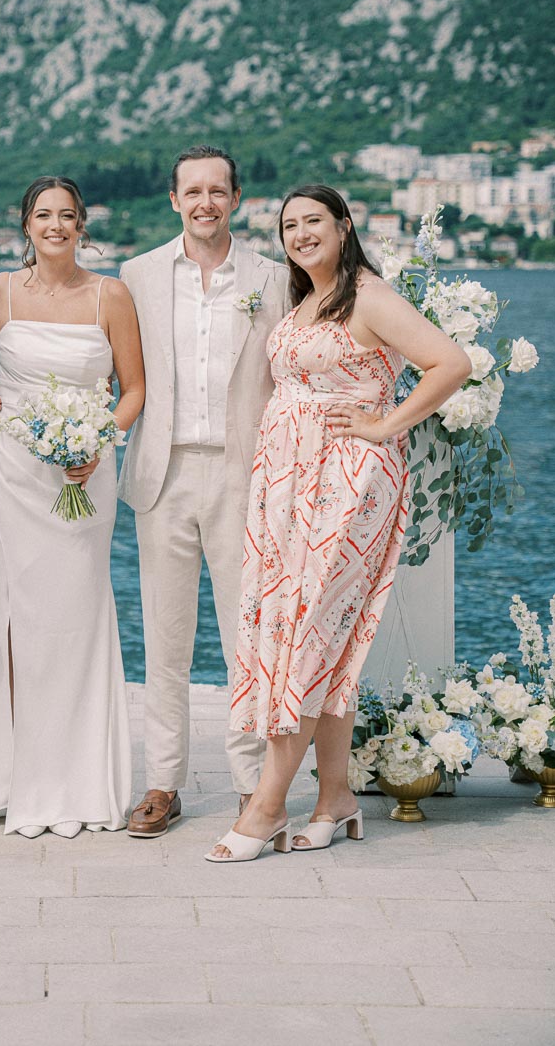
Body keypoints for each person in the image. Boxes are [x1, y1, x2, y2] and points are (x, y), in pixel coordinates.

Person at [206, 183, 471, 862]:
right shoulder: (306, 303)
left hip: (349, 483)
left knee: (310, 634)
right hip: (289, 485)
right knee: (320, 640)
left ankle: (266, 807)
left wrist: (386, 424)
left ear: (344, 224)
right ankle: (336, 799)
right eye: (290, 225)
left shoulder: (367, 293)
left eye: (313, 221)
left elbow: (451, 362)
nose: (300, 234)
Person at [0, 176, 144, 838]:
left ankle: (81, 782)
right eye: (42, 215)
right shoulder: (1, 290)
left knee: (78, 611)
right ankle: (11, 780)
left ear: (82, 225)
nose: (54, 225)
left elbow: (135, 388)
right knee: (18, 611)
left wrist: (99, 440)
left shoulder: (110, 294)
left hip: (85, 473)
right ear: (24, 224)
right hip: (13, 472)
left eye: (66, 215)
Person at [118, 146, 288, 837]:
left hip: (244, 473)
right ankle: (163, 783)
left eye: (218, 191)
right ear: (174, 199)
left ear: (237, 198)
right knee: (165, 639)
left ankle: (252, 784)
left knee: (246, 639)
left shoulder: (274, 279)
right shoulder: (137, 275)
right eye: (194, 191)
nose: (205, 202)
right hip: (162, 472)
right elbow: (113, 364)